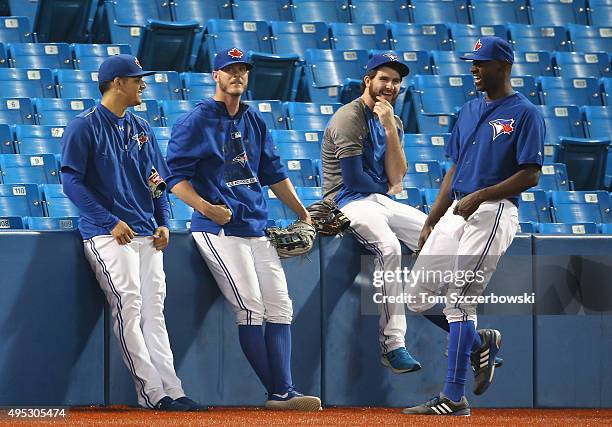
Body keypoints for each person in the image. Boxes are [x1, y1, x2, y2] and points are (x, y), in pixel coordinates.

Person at [164, 47, 321, 411]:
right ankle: (280, 393)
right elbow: (173, 177)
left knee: (280, 306)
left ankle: (283, 392)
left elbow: (273, 173)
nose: (237, 75)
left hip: (255, 226)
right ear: (215, 76)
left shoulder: (254, 120)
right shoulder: (195, 121)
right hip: (217, 230)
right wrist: (205, 207)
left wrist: (303, 213)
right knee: (250, 307)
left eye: (243, 70)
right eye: (229, 69)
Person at [402, 37, 545, 416]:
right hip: (458, 209)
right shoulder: (467, 110)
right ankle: (481, 342)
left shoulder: (526, 113)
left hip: (494, 210)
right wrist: (432, 219)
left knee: (459, 299)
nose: (474, 69)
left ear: (504, 66)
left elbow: (530, 174)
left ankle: (453, 398)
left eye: (481, 62)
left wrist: (482, 195)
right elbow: (454, 168)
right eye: (472, 62)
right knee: (415, 297)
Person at [60, 54, 202, 411]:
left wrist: (164, 219)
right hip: (107, 235)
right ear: (116, 83)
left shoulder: (141, 127)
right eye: (137, 79)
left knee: (155, 310)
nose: (143, 84)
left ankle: (174, 390)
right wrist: (108, 220)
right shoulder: (84, 125)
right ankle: (152, 394)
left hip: (146, 234)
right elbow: (71, 181)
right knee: (130, 305)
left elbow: (157, 180)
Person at [320, 53, 427, 374]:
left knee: (436, 237)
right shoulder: (348, 117)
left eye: (396, 81)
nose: (390, 86)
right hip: (347, 201)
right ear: (367, 80)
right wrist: (388, 184)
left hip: (378, 200)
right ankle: (393, 345)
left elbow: (398, 177)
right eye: (384, 79)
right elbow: (355, 180)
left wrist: (390, 130)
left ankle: (459, 328)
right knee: (389, 248)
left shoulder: (393, 121)